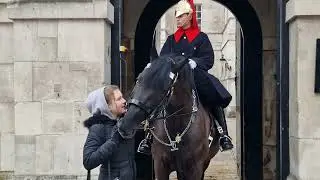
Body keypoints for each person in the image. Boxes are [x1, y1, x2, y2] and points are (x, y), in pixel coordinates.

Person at [137, 0, 233, 155]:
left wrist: (195, 62)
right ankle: (148, 136)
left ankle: (223, 134)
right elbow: (163, 60)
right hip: (174, 78)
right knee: (157, 96)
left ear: (190, 16)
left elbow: (208, 59)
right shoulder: (171, 40)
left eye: (181, 16)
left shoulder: (201, 38)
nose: (177, 19)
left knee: (212, 95)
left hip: (195, 76)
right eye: (176, 16)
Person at [83, 85, 136, 180]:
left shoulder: (122, 123)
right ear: (107, 106)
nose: (124, 101)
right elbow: (88, 161)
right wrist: (113, 141)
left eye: (122, 97)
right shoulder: (98, 127)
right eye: (119, 99)